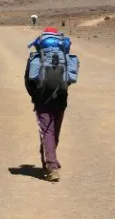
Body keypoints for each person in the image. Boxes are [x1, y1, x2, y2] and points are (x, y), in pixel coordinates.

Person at [24, 27, 78, 182]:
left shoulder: (36, 57)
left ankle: (51, 167)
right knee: (54, 131)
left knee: (47, 132)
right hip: (61, 98)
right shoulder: (65, 57)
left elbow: (28, 81)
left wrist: (35, 97)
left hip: (42, 99)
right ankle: (50, 161)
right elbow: (70, 79)